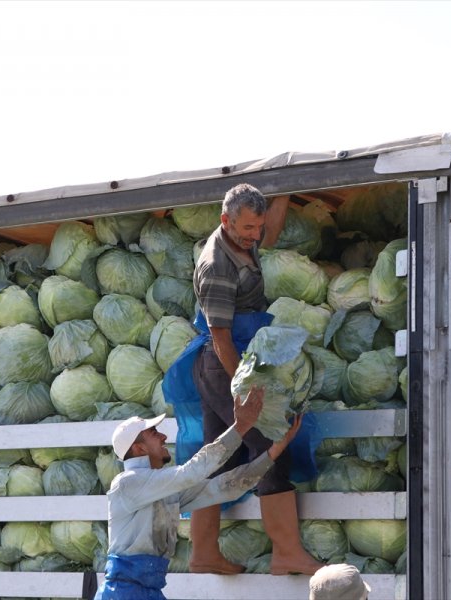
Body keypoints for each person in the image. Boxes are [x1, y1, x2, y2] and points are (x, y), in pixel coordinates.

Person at [168, 182, 323, 576]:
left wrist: (286, 188)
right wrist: (244, 387)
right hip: (225, 364)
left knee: (219, 457)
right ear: (226, 220)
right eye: (248, 228)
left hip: (227, 362)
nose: (256, 235)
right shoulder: (217, 266)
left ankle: (203, 553)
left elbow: (268, 232)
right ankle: (286, 551)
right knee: (269, 445)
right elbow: (220, 335)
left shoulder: (241, 238)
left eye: (258, 226)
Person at [94, 386, 302, 600]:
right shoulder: (127, 483)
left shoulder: (162, 488)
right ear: (140, 449)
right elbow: (190, 473)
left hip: (148, 591)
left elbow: (223, 488)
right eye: (154, 434)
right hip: (122, 593)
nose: (164, 436)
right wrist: (240, 427)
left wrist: (274, 451)